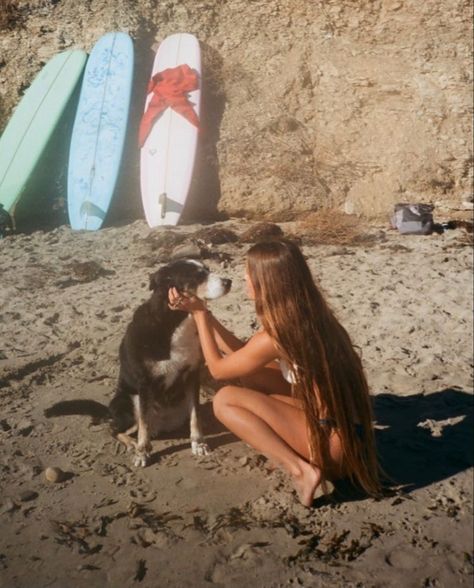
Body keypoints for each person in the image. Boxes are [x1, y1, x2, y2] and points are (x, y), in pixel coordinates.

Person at [168, 239, 382, 506]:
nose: (244, 278)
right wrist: (206, 315)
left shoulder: (276, 335)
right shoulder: (308, 317)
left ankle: (301, 469)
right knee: (253, 374)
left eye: (249, 274)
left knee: (225, 399)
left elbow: (219, 370)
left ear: (266, 282)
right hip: (354, 437)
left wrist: (199, 317)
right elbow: (243, 355)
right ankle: (300, 449)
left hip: (335, 451)